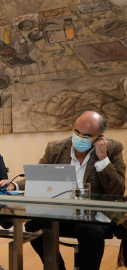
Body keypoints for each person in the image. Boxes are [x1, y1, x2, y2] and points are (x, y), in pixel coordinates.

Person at [25, 111, 126, 270]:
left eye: (86, 136)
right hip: (61, 212)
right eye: (77, 132)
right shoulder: (56, 148)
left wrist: (103, 158)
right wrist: (14, 186)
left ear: (99, 137)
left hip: (95, 216)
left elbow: (117, 190)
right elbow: (38, 177)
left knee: (89, 230)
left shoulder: (113, 149)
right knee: (33, 226)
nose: (79, 138)